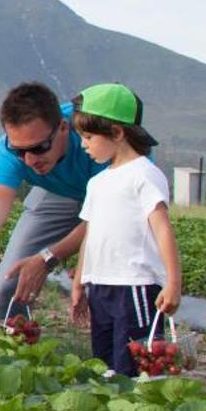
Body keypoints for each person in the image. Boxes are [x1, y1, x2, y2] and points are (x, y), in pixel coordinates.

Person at [0, 81, 111, 317]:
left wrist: (48, 257)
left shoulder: (102, 138)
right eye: (20, 151)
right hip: (57, 195)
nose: (29, 160)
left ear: (63, 127)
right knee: (6, 291)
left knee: (108, 294)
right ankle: (15, 347)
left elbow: (105, 218)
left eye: (39, 148)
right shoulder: (5, 151)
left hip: (115, 203)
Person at [67, 83, 182, 376]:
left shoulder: (145, 174)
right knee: (104, 364)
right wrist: (80, 281)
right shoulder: (97, 182)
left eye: (89, 137)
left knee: (134, 364)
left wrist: (173, 282)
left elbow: (163, 229)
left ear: (117, 133)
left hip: (136, 285)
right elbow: (91, 236)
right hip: (100, 286)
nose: (84, 145)